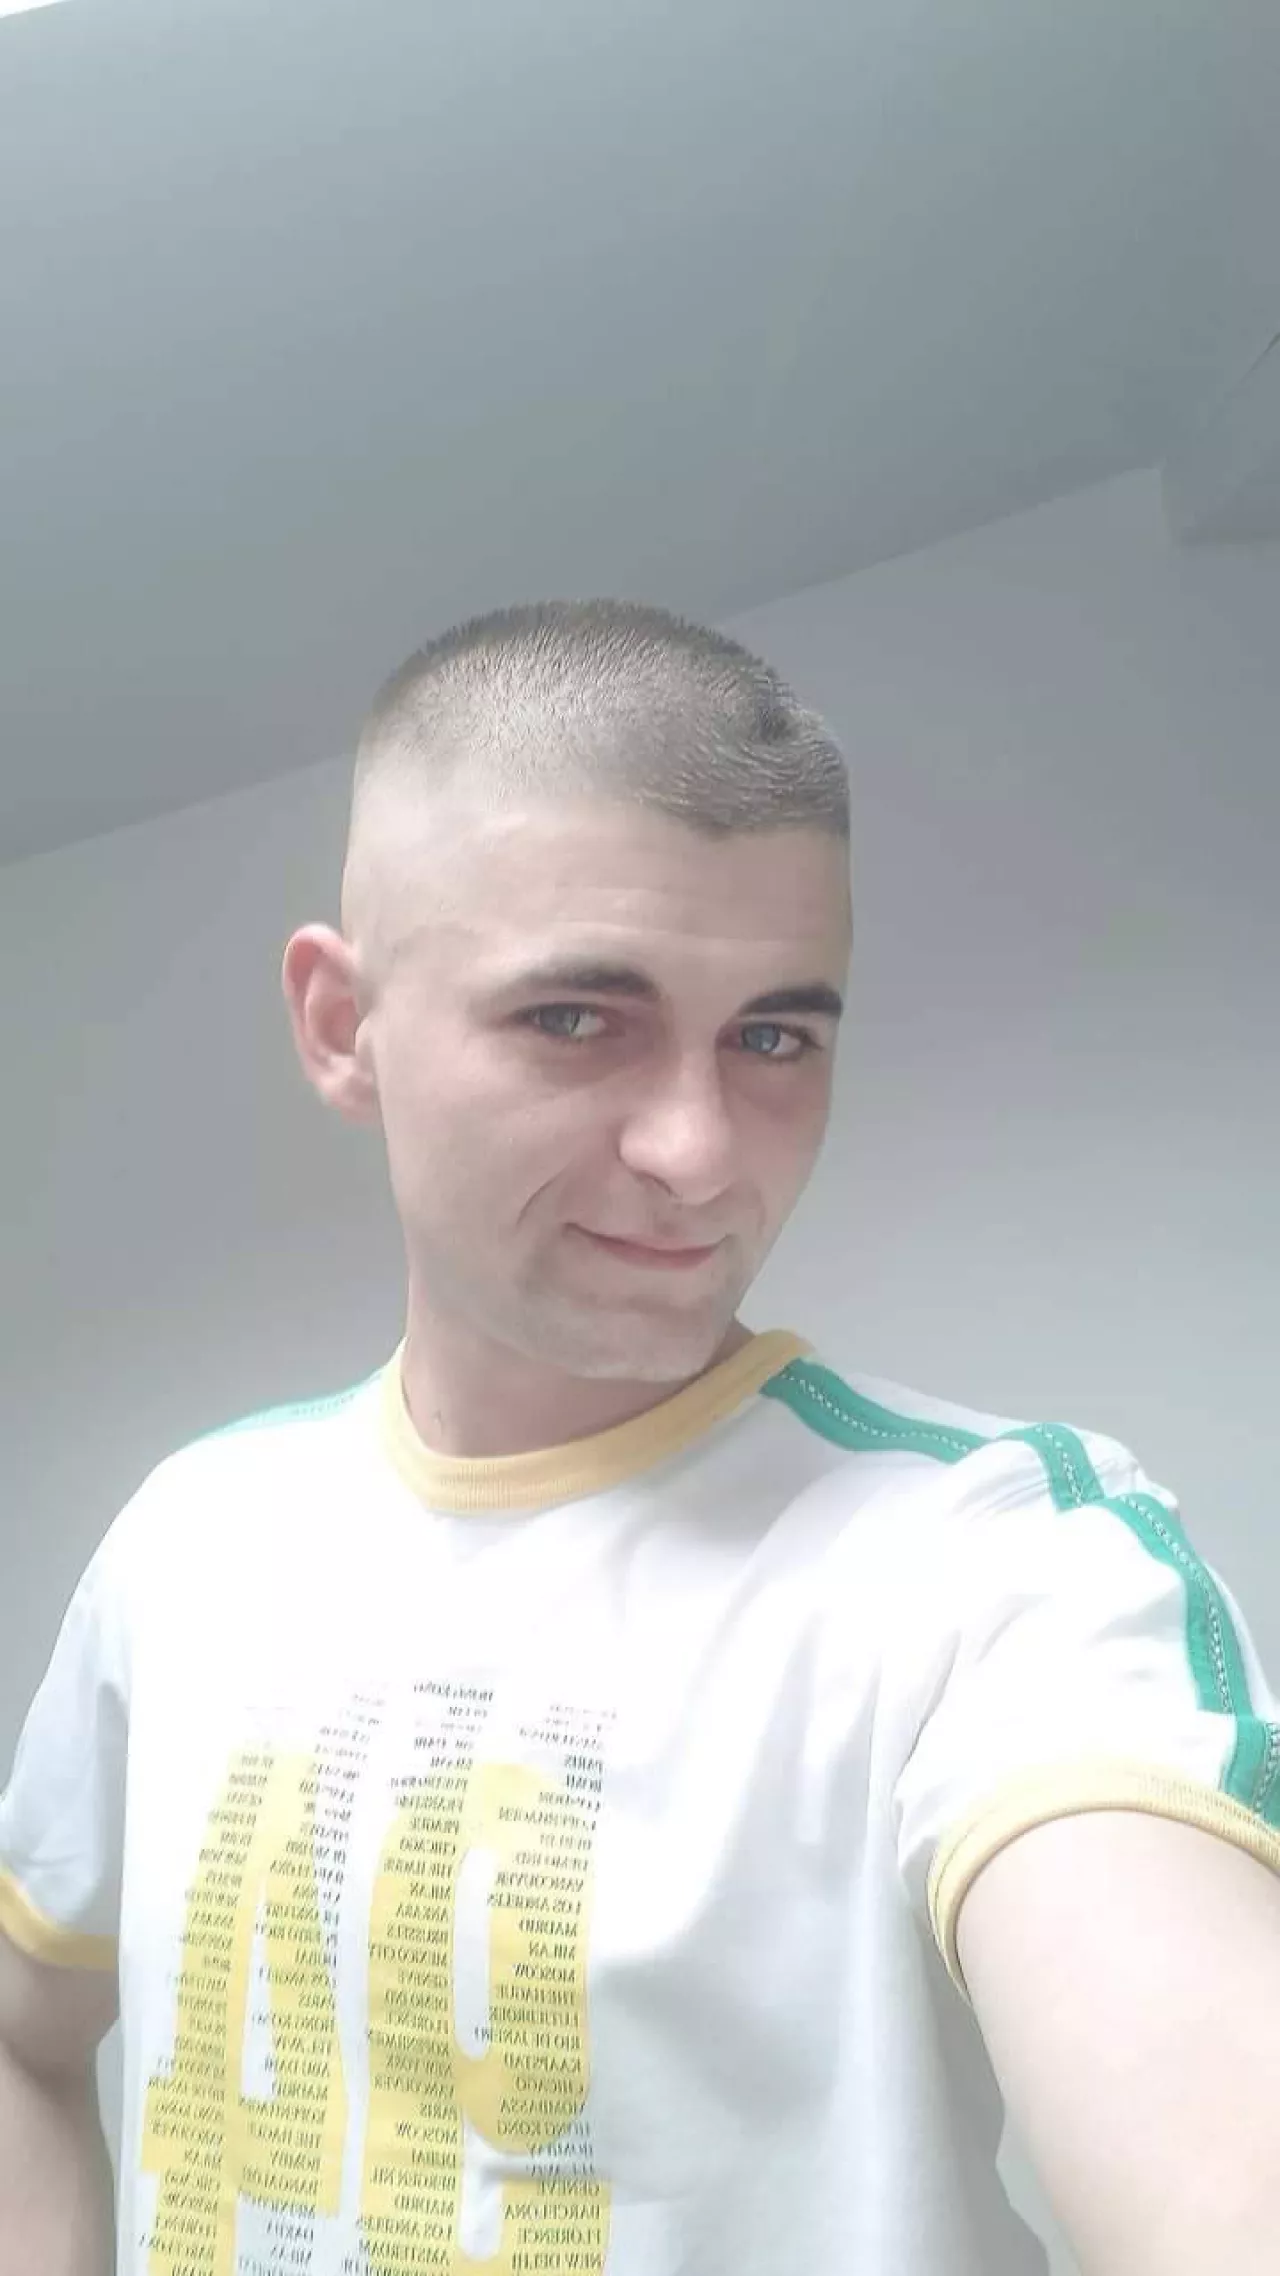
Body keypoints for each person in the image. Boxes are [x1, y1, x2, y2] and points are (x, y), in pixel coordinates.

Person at [2, 600, 1277, 2276]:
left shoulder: (999, 1565)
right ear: (341, 1026)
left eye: (774, 1036)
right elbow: (23, 2031)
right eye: (575, 1018)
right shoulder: (190, 1539)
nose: (698, 1150)